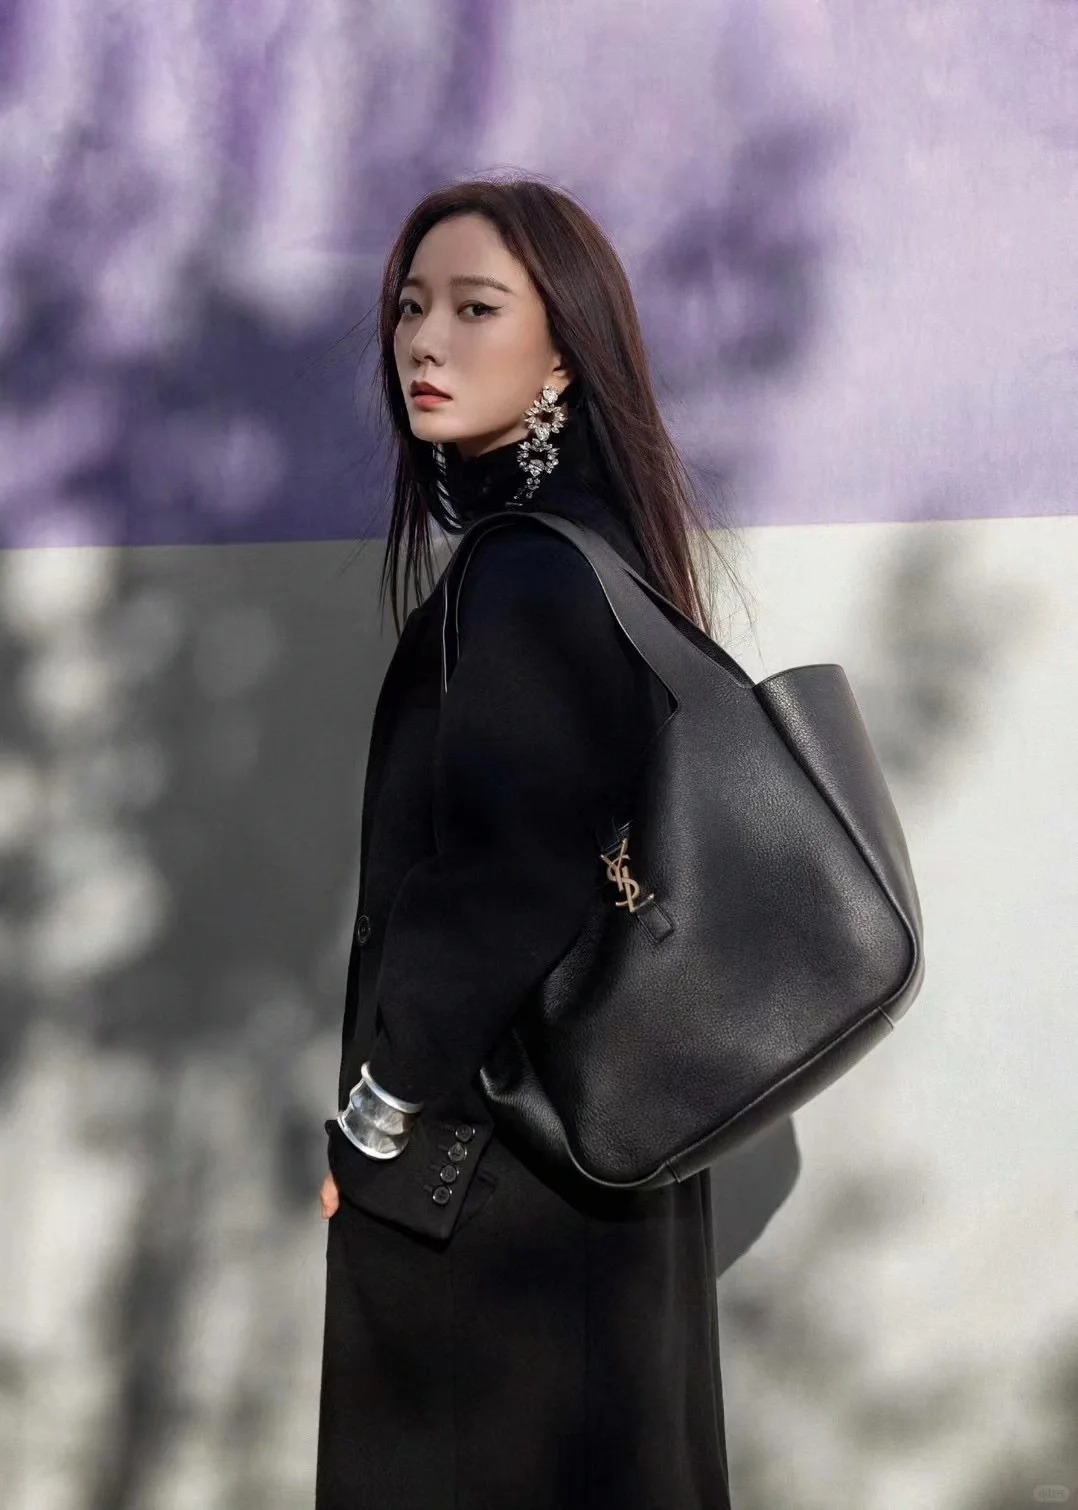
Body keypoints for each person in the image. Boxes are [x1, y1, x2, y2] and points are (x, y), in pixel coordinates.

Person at [314, 176, 748, 1510]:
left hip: (493, 1183)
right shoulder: (591, 554)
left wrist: (377, 1113)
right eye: (409, 308)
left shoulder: (531, 571)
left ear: (563, 352)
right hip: (578, 1170)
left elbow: (509, 875)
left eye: (475, 308)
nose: (423, 341)